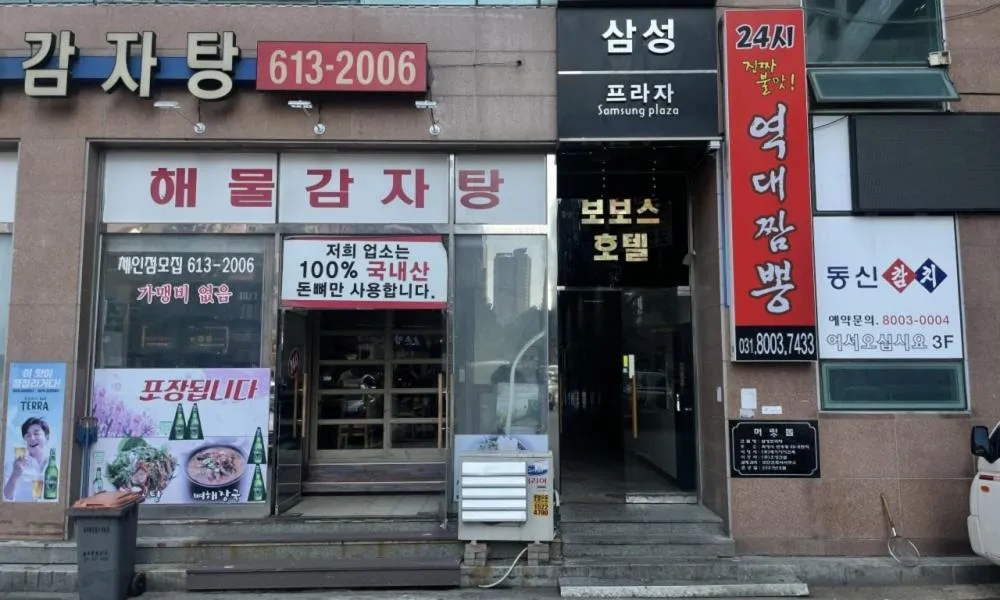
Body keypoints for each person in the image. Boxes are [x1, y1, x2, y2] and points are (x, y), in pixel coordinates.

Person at [3, 417, 51, 501]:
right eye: (28, 435)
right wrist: (15, 474)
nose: (32, 438)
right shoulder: (12, 465)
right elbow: (6, 496)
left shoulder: (57, 464)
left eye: (36, 434)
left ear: (47, 438)